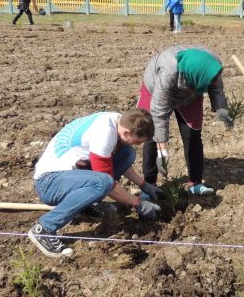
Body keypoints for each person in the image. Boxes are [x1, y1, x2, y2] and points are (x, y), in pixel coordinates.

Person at [28, 109, 161, 258]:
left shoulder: (118, 121)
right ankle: (44, 228)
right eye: (137, 141)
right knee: (103, 183)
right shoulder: (103, 134)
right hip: (49, 183)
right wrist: (138, 203)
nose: (137, 144)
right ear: (127, 133)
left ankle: (84, 206)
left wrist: (144, 185)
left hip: (69, 175)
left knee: (127, 153)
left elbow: (112, 163)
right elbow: (108, 184)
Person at [136, 46, 233, 196]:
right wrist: (162, 151)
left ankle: (196, 183)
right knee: (151, 134)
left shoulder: (212, 63)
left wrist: (220, 108)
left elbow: (216, 85)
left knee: (193, 134)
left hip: (190, 94)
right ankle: (149, 184)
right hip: (155, 89)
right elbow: (159, 113)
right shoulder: (168, 71)